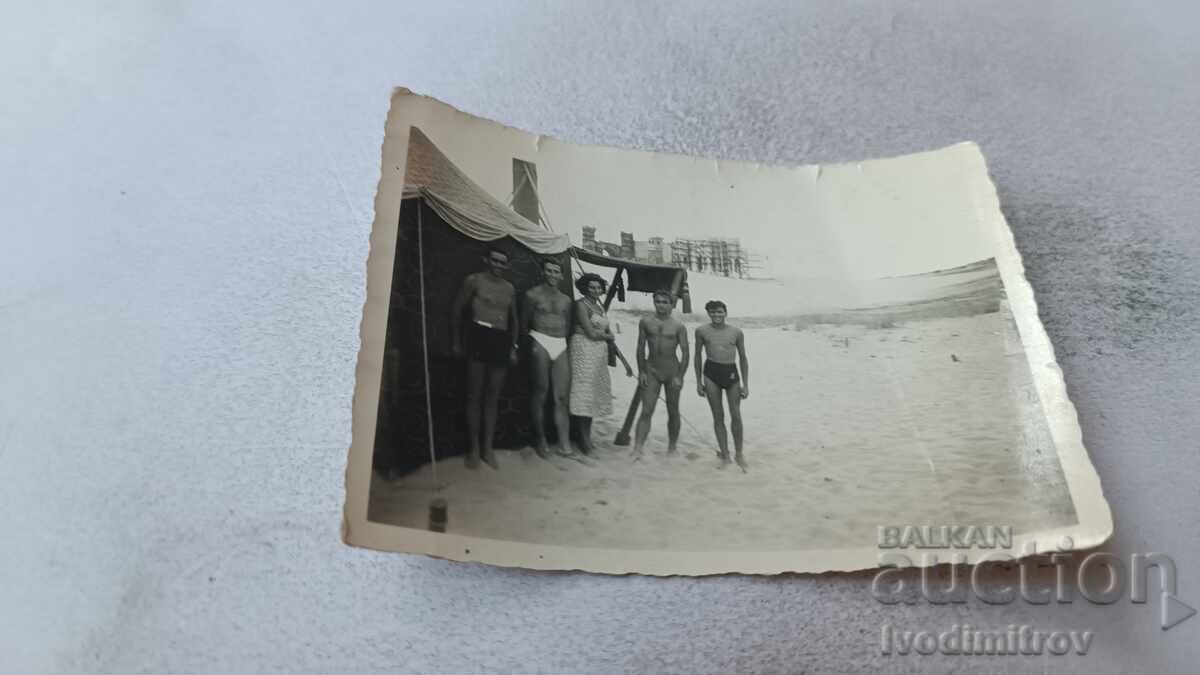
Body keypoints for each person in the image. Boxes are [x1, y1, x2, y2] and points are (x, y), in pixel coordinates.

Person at [451, 247, 518, 469]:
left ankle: (487, 448)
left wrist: (513, 347)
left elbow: (514, 320)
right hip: (477, 336)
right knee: (474, 395)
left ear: (507, 266)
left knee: (492, 397)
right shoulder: (474, 281)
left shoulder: (509, 288)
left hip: (500, 339)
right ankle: (473, 449)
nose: (498, 265)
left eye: (502, 262)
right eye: (495, 261)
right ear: (486, 260)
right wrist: (456, 341)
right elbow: (457, 310)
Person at [569, 273, 633, 454]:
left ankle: (586, 437)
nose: (595, 291)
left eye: (598, 287)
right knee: (583, 393)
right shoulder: (581, 305)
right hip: (583, 349)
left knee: (593, 394)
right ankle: (582, 439)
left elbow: (607, 334)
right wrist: (607, 336)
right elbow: (590, 333)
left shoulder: (600, 307)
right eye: (592, 287)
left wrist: (624, 362)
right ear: (584, 288)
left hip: (599, 353)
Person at [521, 258, 573, 460]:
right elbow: (524, 322)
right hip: (539, 338)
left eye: (556, 271)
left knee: (562, 397)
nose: (552, 274)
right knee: (540, 391)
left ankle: (564, 442)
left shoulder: (566, 300)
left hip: (560, 342)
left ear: (561, 275)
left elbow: (567, 325)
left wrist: (560, 340)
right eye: (549, 270)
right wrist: (532, 345)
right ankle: (540, 439)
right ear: (543, 272)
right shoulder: (532, 295)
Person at [631, 290, 689, 460]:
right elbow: (640, 347)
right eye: (658, 301)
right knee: (646, 410)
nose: (661, 305)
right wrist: (642, 371)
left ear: (671, 304)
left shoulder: (678, 326)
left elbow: (685, 353)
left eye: (665, 302)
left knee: (673, 410)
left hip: (672, 371)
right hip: (652, 370)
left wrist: (680, 376)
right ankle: (638, 448)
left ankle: (672, 447)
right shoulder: (646, 322)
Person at [693, 300, 750, 470]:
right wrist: (698, 382)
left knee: (736, 415)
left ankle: (739, 454)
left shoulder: (736, 332)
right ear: (708, 314)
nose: (716, 315)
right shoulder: (701, 331)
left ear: (725, 313)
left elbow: (743, 358)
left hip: (731, 373)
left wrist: (745, 384)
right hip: (711, 374)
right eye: (712, 312)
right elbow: (697, 356)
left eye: (719, 312)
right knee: (718, 416)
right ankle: (725, 455)